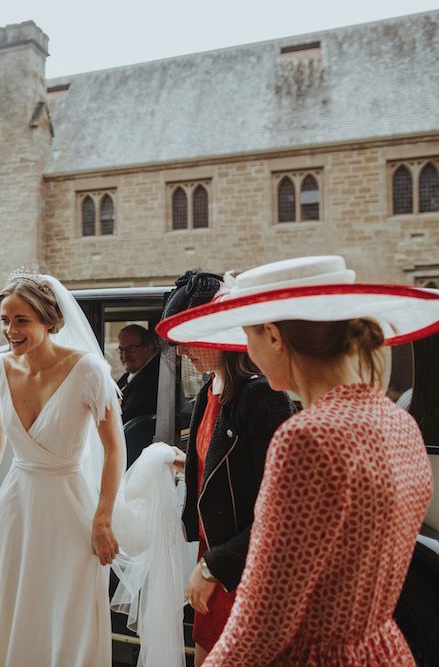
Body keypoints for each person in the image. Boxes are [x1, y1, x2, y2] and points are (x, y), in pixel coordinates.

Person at [157, 255, 439, 665]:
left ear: (273, 336)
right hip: (379, 649)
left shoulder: (307, 438)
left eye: (248, 336)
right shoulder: (397, 422)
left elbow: (266, 615)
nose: (245, 349)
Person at [0, 271, 125, 666]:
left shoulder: (89, 371)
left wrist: (103, 519)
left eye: (21, 320)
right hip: (15, 504)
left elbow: (114, 449)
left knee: (64, 611)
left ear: (49, 320)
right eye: (5, 320)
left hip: (69, 507)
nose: (10, 330)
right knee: (8, 604)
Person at [162, 270, 295, 665]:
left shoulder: (262, 397)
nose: (182, 351)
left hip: (245, 568)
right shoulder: (208, 389)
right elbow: (222, 460)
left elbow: (279, 504)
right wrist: (192, 463)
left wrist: (216, 566)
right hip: (213, 556)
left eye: (188, 338)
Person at [116, 324, 159, 423]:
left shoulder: (150, 380)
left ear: (149, 348)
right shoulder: (128, 377)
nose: (125, 355)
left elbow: (127, 417)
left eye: (131, 348)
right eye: (121, 350)